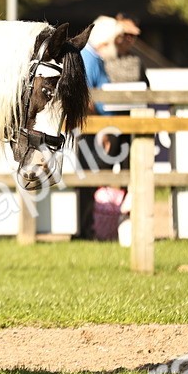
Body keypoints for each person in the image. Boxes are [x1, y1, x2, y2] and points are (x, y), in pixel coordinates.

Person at [75, 16, 126, 239]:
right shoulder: (89, 58)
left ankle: (92, 229)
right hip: (94, 131)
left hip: (97, 129)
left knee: (93, 180)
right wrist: (103, 128)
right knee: (90, 181)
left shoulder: (94, 58)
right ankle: (88, 230)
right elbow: (86, 99)